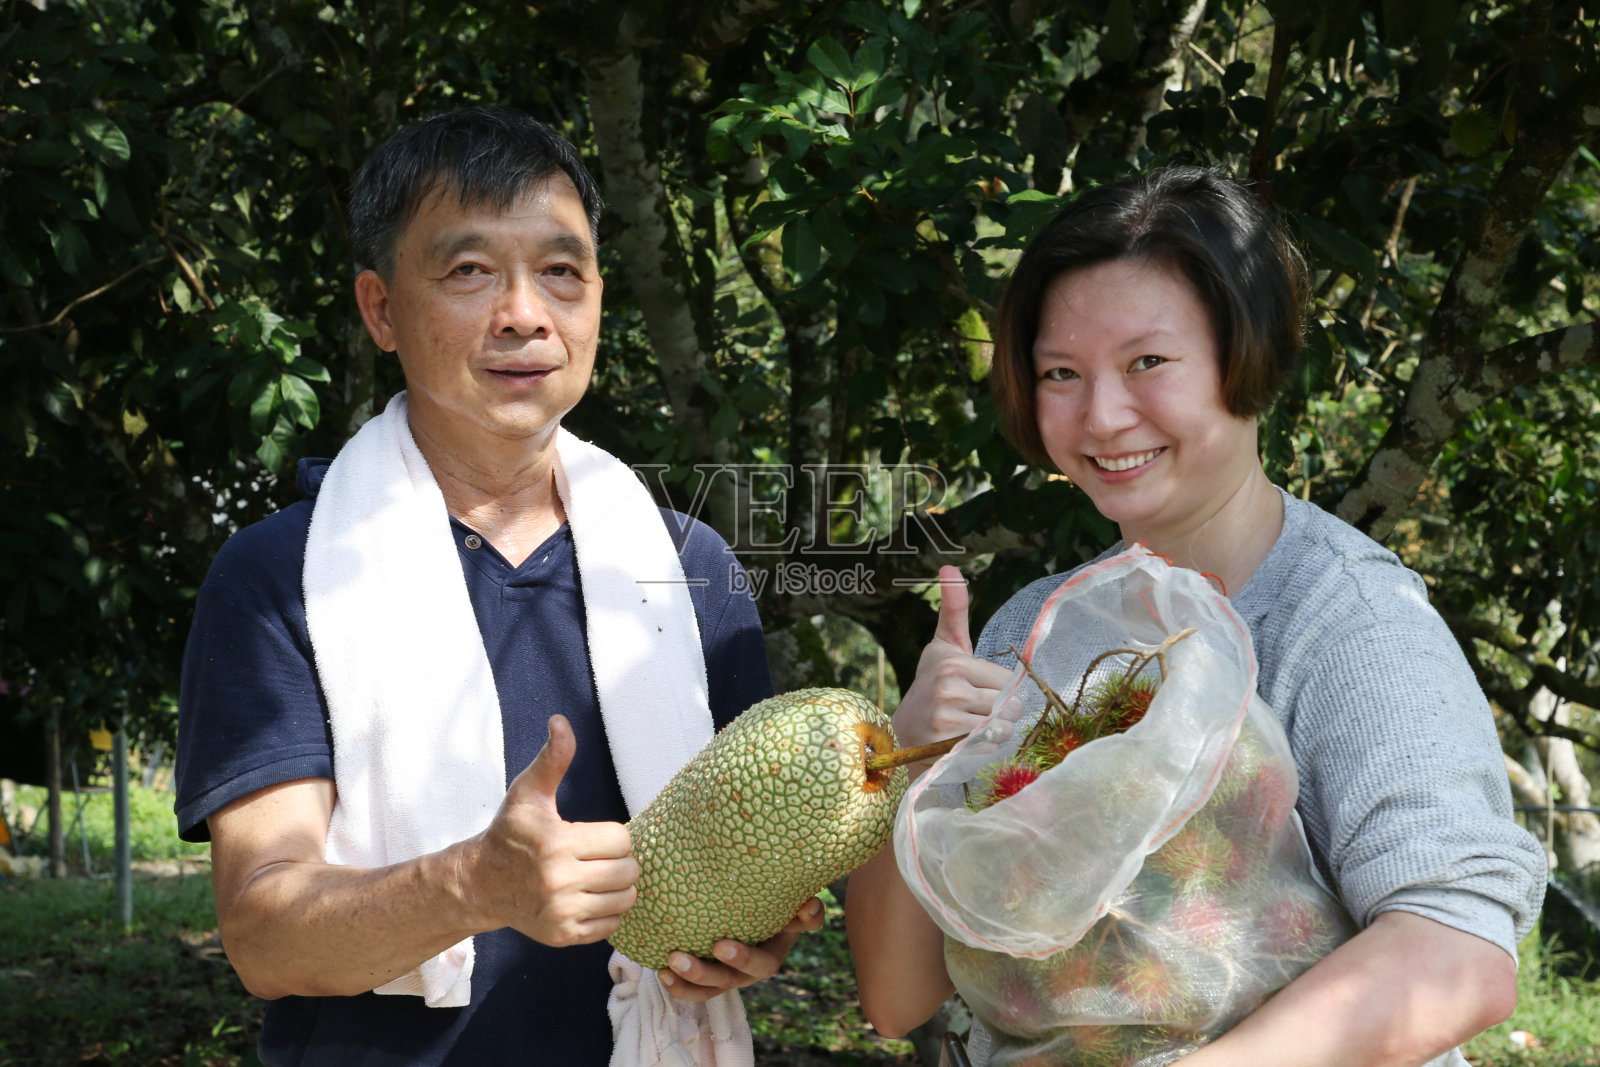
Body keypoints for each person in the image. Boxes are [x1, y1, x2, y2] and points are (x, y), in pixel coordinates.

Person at [845, 164, 1546, 1066]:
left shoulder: (1347, 621)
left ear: (1244, 357)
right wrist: (912, 764)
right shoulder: (1029, 632)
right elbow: (897, 996)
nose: (1102, 415)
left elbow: (1459, 953)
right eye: (1062, 373)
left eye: (1148, 362)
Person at [174, 107, 821, 1066]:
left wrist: (748, 939)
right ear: (381, 309)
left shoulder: (686, 570)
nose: (525, 313)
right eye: (471, 270)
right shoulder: (283, 576)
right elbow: (264, 935)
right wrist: (473, 885)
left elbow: (743, 872)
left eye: (562, 271)